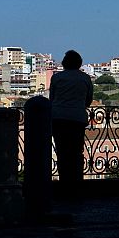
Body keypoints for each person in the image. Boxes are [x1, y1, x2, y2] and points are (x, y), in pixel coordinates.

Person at [49, 50, 93, 197]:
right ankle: (76, 186)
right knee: (76, 153)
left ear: (64, 63)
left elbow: (52, 98)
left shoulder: (57, 78)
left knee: (62, 153)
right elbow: (88, 100)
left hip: (59, 118)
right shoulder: (85, 78)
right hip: (77, 119)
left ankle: (63, 185)